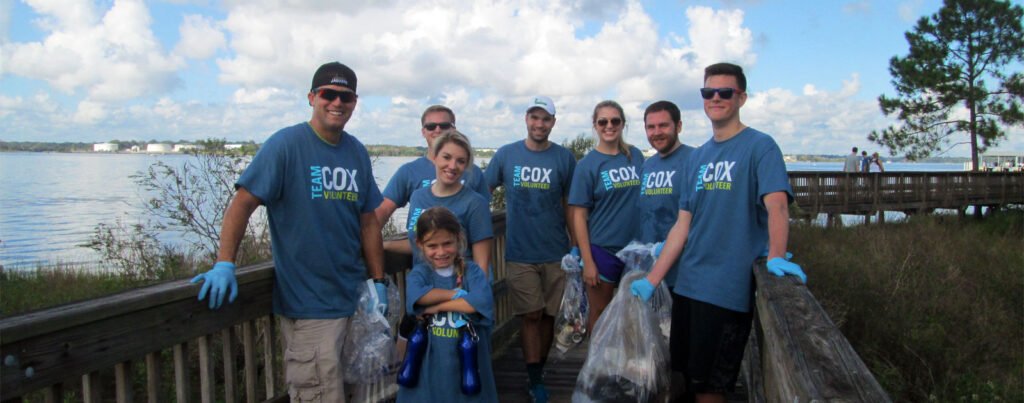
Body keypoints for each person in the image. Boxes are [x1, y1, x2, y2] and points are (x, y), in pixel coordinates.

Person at [190, 61, 387, 402]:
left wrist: (378, 282)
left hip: (353, 301)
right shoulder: (285, 145)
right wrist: (225, 263)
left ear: (355, 102)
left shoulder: (355, 151)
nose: (337, 103)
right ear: (312, 97)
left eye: (346, 97)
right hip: (309, 308)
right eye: (328, 94)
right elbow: (242, 204)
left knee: (358, 394)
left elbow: (369, 221)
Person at [630, 63, 805, 403]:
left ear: (741, 98)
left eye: (725, 92)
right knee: (685, 378)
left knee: (711, 388)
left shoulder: (760, 146)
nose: (716, 98)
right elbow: (683, 226)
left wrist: (777, 255)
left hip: (727, 290)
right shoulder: (698, 158)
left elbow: (778, 208)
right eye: (708, 92)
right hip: (688, 287)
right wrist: (652, 279)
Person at [483, 95, 577, 402]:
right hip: (520, 252)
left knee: (550, 316)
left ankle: (539, 371)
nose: (539, 124)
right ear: (526, 119)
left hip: (556, 253)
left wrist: (576, 248)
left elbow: (570, 206)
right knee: (531, 315)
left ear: (553, 122)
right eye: (534, 117)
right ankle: (534, 378)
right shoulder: (507, 155)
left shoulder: (564, 158)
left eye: (546, 118)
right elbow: (483, 191)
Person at [397, 206, 497, 402]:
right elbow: (417, 298)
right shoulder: (420, 274)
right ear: (419, 244)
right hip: (430, 375)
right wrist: (458, 295)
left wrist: (436, 307)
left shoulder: (473, 272)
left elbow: (478, 303)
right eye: (432, 246)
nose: (441, 252)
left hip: (465, 374)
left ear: (459, 238)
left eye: (447, 243)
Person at [568, 100, 645, 330]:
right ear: (595, 125)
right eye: (603, 121)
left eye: (615, 121)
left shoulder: (635, 156)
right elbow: (578, 216)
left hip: (635, 250)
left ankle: (628, 365)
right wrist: (587, 261)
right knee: (600, 316)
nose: (609, 125)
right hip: (602, 250)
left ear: (623, 124)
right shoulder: (587, 166)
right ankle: (599, 365)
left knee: (634, 314)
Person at [387, 131, 494, 273]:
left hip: (460, 288)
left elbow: (482, 265)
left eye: (461, 161)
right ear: (435, 158)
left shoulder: (475, 203)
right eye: (446, 157)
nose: (452, 166)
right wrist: (384, 245)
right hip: (424, 289)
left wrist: (474, 294)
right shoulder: (418, 197)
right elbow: (418, 242)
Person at [376, 105, 491, 228]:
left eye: (444, 126)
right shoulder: (408, 172)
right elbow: (383, 211)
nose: (437, 130)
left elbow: (483, 216)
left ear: (453, 129)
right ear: (423, 132)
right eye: (431, 126)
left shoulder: (474, 172)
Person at [637, 100, 694, 289]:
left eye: (663, 125)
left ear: (678, 126)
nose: (656, 132)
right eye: (651, 127)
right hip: (650, 270)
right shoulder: (647, 165)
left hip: (684, 274)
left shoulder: (695, 160)